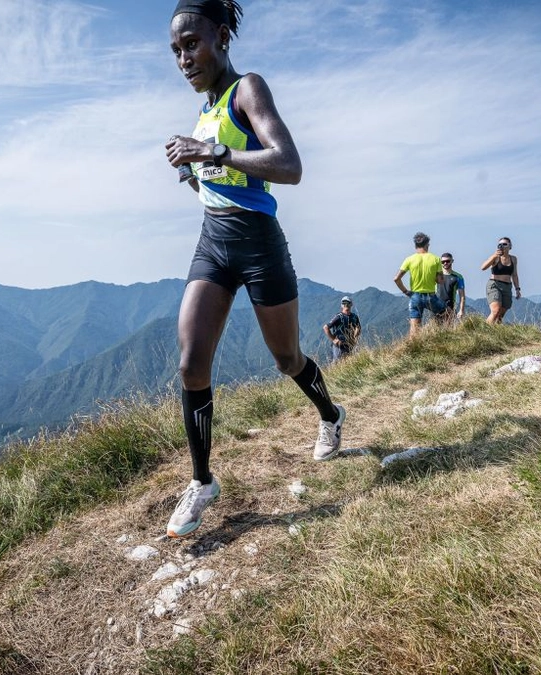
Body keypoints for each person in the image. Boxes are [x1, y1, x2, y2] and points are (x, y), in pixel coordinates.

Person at [162, 0, 346, 538]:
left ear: (221, 37)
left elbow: (288, 165)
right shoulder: (206, 107)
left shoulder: (248, 89)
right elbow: (223, 176)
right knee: (191, 363)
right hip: (213, 244)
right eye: (175, 50)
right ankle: (201, 482)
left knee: (287, 357)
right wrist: (195, 174)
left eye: (191, 44)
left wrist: (210, 152)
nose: (183, 58)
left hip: (260, 245)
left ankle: (331, 416)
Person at [393, 232, 446, 334]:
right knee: (448, 314)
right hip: (430, 296)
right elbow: (440, 281)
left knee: (414, 330)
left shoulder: (409, 259)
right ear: (427, 245)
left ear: (415, 246)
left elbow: (396, 279)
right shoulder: (435, 259)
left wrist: (406, 292)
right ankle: (438, 334)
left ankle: (413, 348)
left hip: (415, 296)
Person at [480, 236, 521, 324]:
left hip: (507, 286)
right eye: (500, 244)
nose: (502, 246)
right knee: (495, 310)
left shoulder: (513, 259)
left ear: (510, 246)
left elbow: (514, 275)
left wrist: (517, 289)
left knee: (501, 314)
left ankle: (495, 332)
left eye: (504, 244)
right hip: (494, 285)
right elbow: (483, 267)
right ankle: (483, 330)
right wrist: (494, 256)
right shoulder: (495, 257)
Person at [322, 296, 361, 362]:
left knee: (347, 364)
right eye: (344, 303)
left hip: (349, 344)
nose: (346, 305)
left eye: (347, 303)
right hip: (339, 345)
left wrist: (354, 338)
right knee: (338, 364)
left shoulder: (353, 317)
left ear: (351, 304)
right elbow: (325, 327)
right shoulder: (339, 317)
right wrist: (333, 339)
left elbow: (358, 327)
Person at [436, 252, 465, 325]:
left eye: (448, 261)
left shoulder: (458, 277)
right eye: (443, 262)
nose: (445, 263)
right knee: (435, 333)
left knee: (449, 333)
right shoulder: (436, 275)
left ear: (452, 261)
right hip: (435, 307)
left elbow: (462, 296)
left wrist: (461, 310)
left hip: (450, 308)